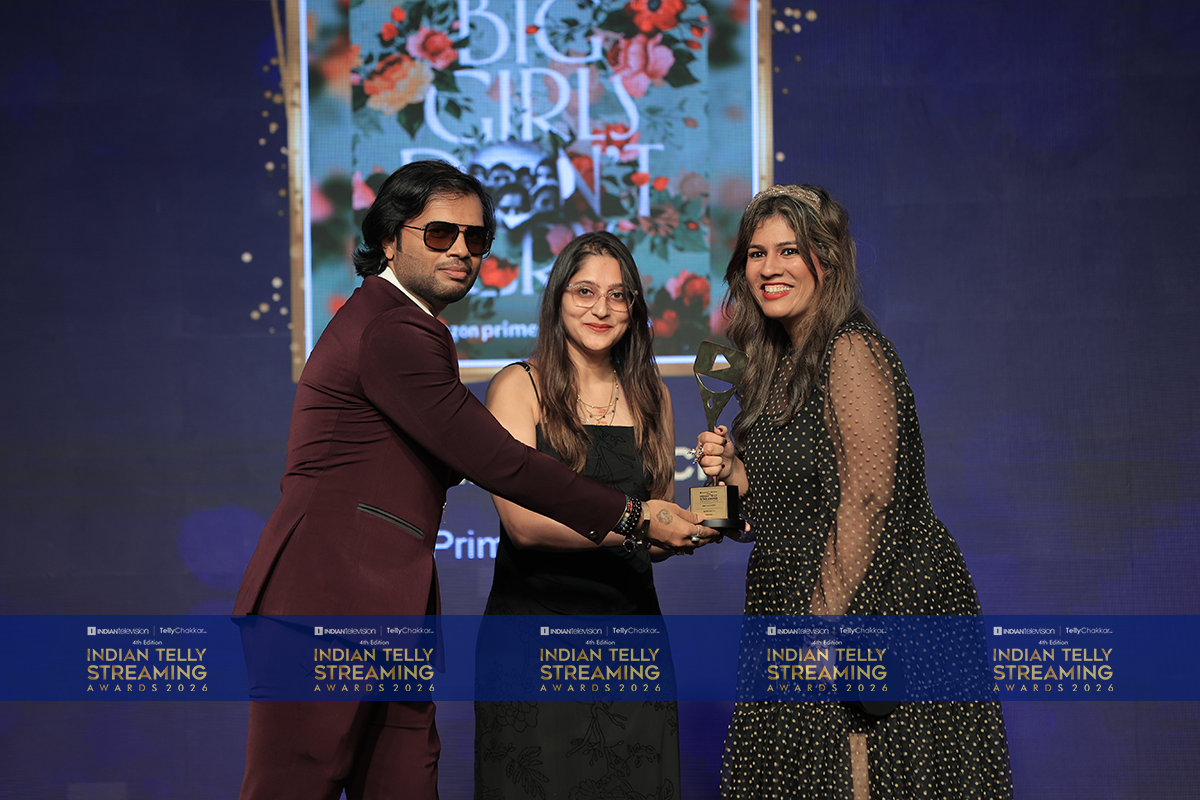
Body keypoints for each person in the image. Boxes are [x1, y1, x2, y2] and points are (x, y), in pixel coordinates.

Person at [233, 161, 712, 800]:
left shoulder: (413, 328)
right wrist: (632, 515)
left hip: (388, 610)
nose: (461, 249)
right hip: (326, 605)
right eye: (439, 233)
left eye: (475, 237)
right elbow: (500, 462)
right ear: (388, 240)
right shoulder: (391, 328)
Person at [694, 185, 1013, 799]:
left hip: (872, 599)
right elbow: (778, 513)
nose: (769, 268)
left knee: (866, 773)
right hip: (794, 602)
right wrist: (735, 474)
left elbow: (869, 498)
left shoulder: (850, 348)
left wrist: (822, 626)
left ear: (828, 260)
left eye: (789, 250)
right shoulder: (774, 365)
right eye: (757, 253)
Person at [474, 232, 680, 798]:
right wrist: (643, 523)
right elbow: (523, 525)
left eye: (618, 295)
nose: (601, 309)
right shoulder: (518, 386)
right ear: (558, 298)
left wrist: (692, 525)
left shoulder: (652, 395)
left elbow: (656, 531)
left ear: (634, 306)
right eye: (585, 291)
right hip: (534, 645)